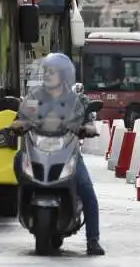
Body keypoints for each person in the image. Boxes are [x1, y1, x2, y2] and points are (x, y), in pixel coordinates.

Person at [10, 53, 105, 256]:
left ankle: (93, 240)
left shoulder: (75, 100)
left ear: (63, 75)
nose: (48, 75)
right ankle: (25, 200)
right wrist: (18, 123)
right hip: (38, 147)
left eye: (52, 72)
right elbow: (23, 115)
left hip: (66, 150)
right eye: (46, 71)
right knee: (18, 160)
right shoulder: (35, 97)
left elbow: (86, 118)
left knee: (87, 190)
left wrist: (88, 127)